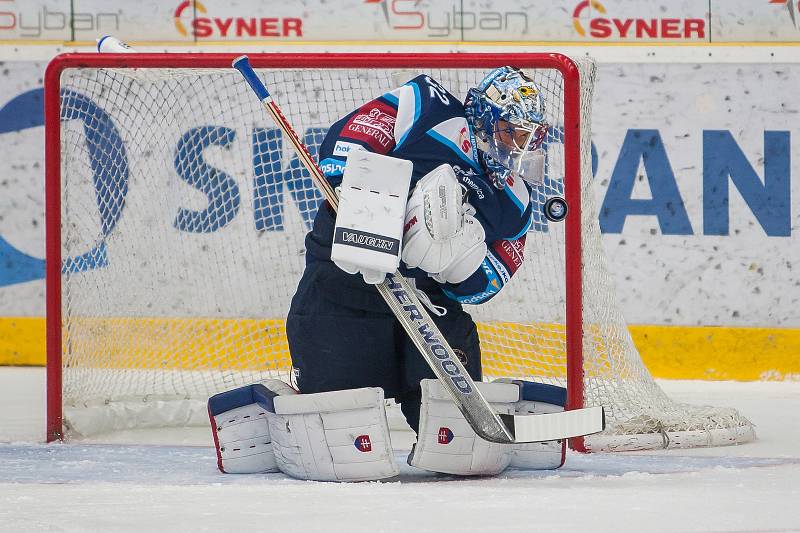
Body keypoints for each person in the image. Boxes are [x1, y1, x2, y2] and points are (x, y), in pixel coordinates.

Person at [208, 67, 566, 481]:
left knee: (466, 453)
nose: (519, 148)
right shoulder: (427, 104)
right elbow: (352, 137)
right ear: (485, 119)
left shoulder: (515, 200)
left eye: (529, 137)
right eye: (512, 133)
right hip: (344, 290)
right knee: (341, 448)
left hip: (429, 309)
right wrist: (363, 198)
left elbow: (490, 279)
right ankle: (271, 413)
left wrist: (455, 263)